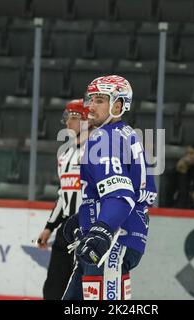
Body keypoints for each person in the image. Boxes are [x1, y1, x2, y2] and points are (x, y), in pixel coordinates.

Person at [62, 75, 157, 300]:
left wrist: (101, 229)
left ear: (117, 106)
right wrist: (84, 218)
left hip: (111, 243)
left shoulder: (104, 139)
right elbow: (124, 190)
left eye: (100, 101)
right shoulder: (126, 133)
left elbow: (120, 195)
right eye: (91, 99)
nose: (91, 106)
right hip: (116, 237)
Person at [35, 99, 90, 300]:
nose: (67, 123)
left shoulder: (96, 151)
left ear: (86, 120)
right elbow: (63, 195)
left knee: (82, 288)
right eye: (67, 117)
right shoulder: (65, 154)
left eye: (73, 117)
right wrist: (49, 226)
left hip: (87, 228)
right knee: (53, 288)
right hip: (65, 229)